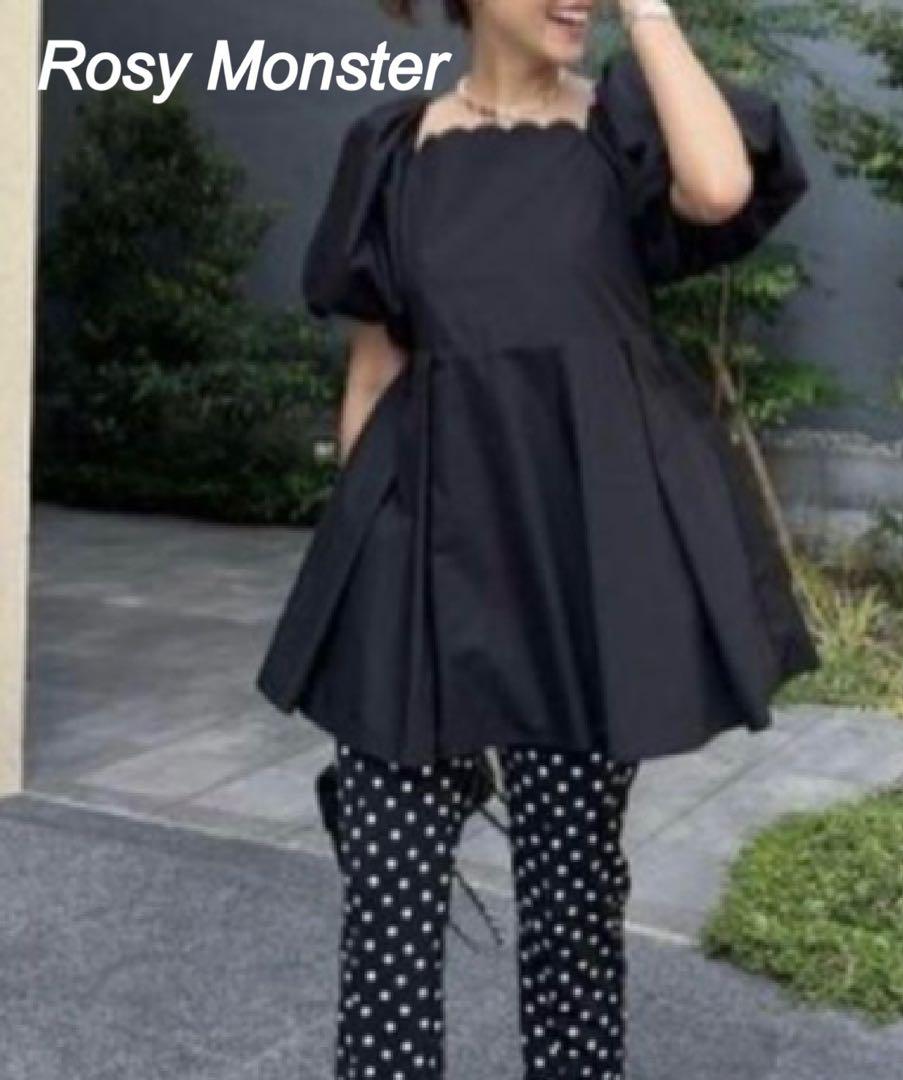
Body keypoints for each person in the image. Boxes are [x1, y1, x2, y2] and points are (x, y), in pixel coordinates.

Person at [255, 0, 821, 1075]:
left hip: (579, 575)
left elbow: (718, 189)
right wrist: (358, 582)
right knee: (386, 906)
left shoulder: (622, 130)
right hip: (417, 569)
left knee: (570, 914)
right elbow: (374, 373)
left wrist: (647, 12)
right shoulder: (393, 151)